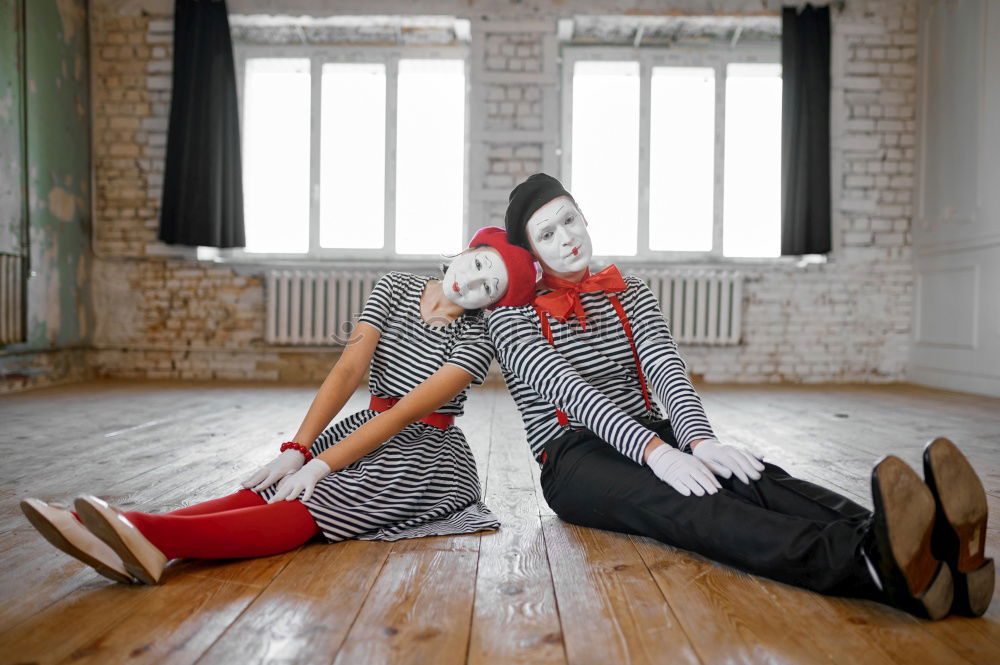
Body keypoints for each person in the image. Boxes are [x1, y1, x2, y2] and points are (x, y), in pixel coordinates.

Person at [486, 172, 993, 620]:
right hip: (574, 456)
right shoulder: (509, 316)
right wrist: (657, 454)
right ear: (530, 252)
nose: (567, 238)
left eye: (570, 219)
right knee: (693, 503)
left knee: (752, 477)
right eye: (547, 233)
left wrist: (700, 442)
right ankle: (869, 561)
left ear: (584, 216)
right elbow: (569, 392)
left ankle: (931, 549)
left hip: (649, 429)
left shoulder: (628, 290)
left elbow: (665, 367)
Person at [20, 226, 539, 585]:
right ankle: (133, 533)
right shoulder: (395, 286)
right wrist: (299, 448)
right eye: (477, 265)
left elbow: (404, 414)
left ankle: (142, 532)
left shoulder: (479, 337)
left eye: (487, 285)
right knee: (266, 486)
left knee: (312, 504)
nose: (470, 282)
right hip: (367, 426)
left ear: (494, 300)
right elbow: (347, 371)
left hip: (425, 455)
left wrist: (322, 465)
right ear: (465, 250)